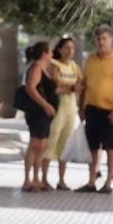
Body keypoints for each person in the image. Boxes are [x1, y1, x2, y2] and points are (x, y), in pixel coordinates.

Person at [77, 24, 113, 194]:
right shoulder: (90, 59)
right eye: (98, 39)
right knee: (93, 147)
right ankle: (91, 181)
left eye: (104, 38)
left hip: (109, 110)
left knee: (110, 147)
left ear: (111, 40)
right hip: (91, 109)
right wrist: (80, 106)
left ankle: (108, 182)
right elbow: (84, 85)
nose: (101, 42)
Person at [42, 37, 82, 190]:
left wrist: (68, 87)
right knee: (51, 142)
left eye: (72, 48)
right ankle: (44, 178)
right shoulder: (54, 65)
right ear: (59, 49)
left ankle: (61, 180)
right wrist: (71, 87)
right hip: (58, 108)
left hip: (71, 109)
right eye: (66, 48)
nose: (70, 51)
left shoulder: (74, 66)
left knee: (64, 145)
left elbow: (81, 83)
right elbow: (55, 85)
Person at [20, 42, 57, 192]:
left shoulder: (45, 69)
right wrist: (45, 105)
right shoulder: (36, 68)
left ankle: (37, 178)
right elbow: (30, 88)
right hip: (37, 112)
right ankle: (28, 180)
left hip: (45, 114)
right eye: (50, 52)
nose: (52, 55)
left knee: (42, 146)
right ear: (44, 53)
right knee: (35, 144)